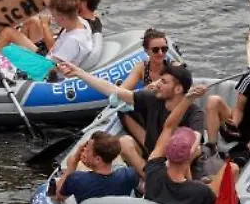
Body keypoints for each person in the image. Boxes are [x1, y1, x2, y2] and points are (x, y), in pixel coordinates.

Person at [58, 59, 204, 178]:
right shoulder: (153, 99)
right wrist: (78, 72)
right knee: (125, 142)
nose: (156, 84)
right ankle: (149, 178)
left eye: (163, 82)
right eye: (159, 80)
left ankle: (166, 181)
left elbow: (195, 141)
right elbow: (112, 90)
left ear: (178, 89)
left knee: (195, 149)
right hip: (152, 159)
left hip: (179, 165)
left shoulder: (194, 113)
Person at [145, 85, 239, 204]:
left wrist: (188, 99)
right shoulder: (201, 192)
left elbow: (169, 127)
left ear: (167, 149)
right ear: (191, 154)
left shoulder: (152, 171)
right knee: (233, 168)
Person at [0, 0, 94, 68]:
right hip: (48, 55)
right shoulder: (81, 21)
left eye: (54, 16)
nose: (52, 18)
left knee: (7, 33)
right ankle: (2, 51)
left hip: (44, 67)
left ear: (62, 17)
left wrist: (18, 56)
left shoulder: (72, 42)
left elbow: (51, 68)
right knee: (32, 21)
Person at [54, 131, 138, 204]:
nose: (84, 151)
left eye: (87, 150)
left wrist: (73, 164)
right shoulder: (128, 175)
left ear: (98, 159)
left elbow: (59, 196)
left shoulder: (77, 179)